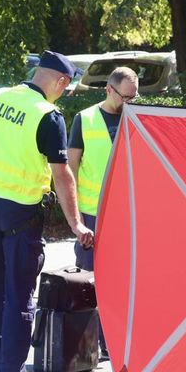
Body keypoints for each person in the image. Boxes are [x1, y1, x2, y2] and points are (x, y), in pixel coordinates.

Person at [0, 51, 94, 372]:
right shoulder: (47, 115)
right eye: (67, 86)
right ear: (61, 81)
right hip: (19, 211)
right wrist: (76, 223)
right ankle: (10, 371)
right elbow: (62, 175)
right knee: (19, 294)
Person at [68, 66, 139, 272]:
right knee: (88, 277)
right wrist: (76, 217)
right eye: (125, 97)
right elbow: (70, 168)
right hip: (91, 214)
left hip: (128, 212)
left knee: (124, 273)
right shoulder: (85, 119)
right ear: (109, 89)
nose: (129, 102)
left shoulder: (138, 118)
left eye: (133, 97)